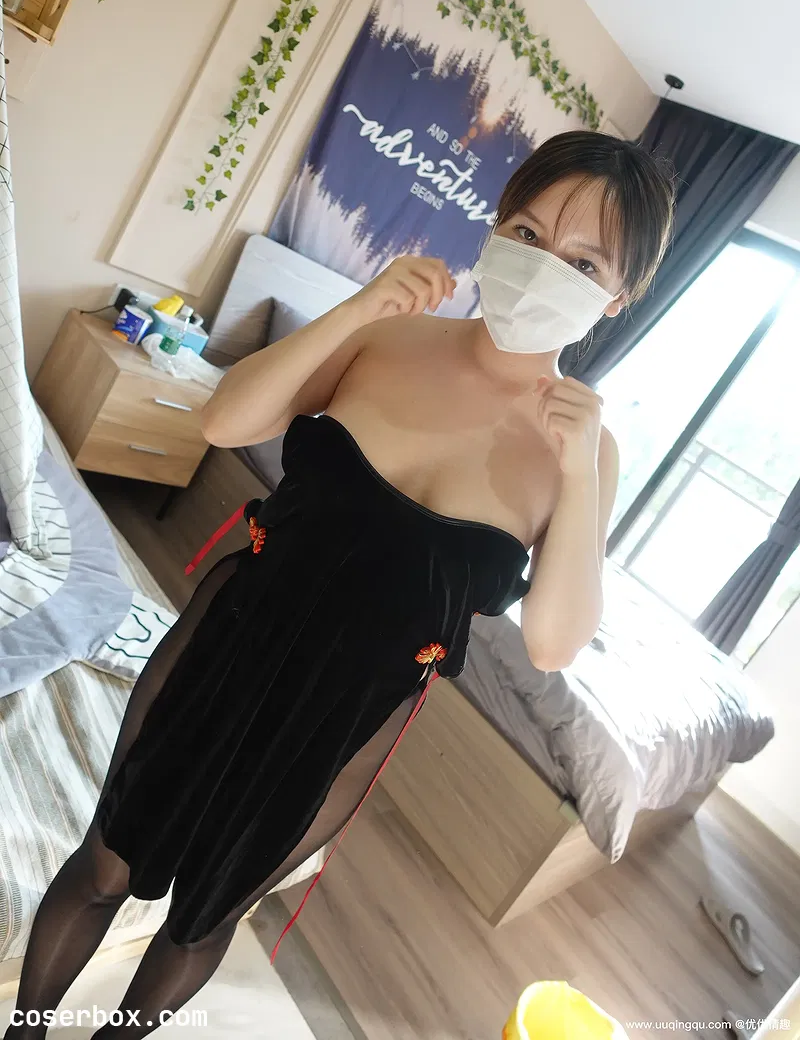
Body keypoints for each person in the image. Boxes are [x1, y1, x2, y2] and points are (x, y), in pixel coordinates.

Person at [4, 130, 673, 1039]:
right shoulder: (388, 337)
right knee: (105, 866)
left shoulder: (586, 454)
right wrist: (359, 308)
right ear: (495, 228)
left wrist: (581, 471)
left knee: (203, 921)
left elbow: (553, 646)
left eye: (583, 261)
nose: (544, 266)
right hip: (231, 641)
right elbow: (225, 420)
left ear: (617, 297)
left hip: (344, 720)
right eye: (527, 232)